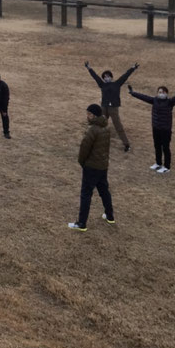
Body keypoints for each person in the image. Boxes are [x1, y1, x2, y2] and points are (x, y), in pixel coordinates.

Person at [68, 104, 115, 232]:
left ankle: (82, 223)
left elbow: (84, 149)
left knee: (86, 194)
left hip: (91, 167)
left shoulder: (93, 130)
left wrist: (82, 163)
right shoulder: (106, 127)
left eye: (89, 114)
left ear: (94, 115)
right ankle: (110, 216)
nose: (87, 116)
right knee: (104, 191)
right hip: (103, 166)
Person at [84, 60, 139, 151]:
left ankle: (126, 144)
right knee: (98, 123)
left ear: (111, 77)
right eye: (105, 77)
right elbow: (95, 77)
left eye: (108, 76)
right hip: (104, 107)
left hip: (113, 108)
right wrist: (89, 68)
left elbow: (125, 76)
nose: (106, 78)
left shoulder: (117, 84)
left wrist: (133, 68)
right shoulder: (102, 84)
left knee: (118, 126)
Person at [128, 83, 175, 174]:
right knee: (157, 146)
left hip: (165, 129)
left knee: (165, 147)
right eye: (159, 92)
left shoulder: (170, 102)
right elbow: (144, 97)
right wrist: (133, 93)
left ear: (166, 93)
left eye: (163, 92)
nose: (161, 93)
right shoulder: (155, 100)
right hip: (156, 128)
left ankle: (167, 167)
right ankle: (158, 163)